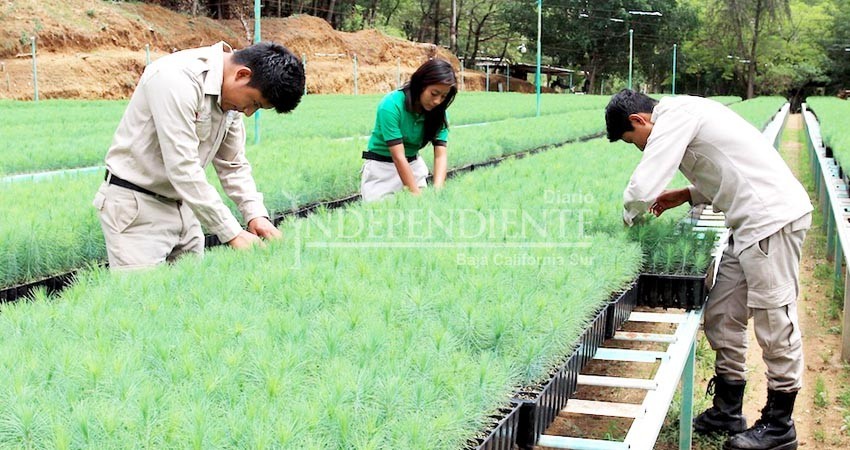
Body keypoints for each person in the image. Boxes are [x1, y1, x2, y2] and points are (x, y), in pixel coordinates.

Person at [606, 89, 812, 450]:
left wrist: (628, 216)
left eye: (631, 141)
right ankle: (728, 410)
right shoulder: (683, 112)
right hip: (746, 224)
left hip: (771, 221)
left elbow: (648, 176)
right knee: (722, 313)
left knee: (774, 319)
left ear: (639, 120)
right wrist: (687, 194)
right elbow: (726, 165)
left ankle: (780, 424)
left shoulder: (674, 116)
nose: (637, 147)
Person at [93, 41, 305, 269]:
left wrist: (255, 215)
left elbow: (233, 164)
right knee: (143, 299)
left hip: (187, 207)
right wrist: (233, 233)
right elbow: (182, 169)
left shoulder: (230, 99)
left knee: (189, 296)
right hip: (137, 209)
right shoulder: (176, 79)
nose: (248, 112)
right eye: (253, 102)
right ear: (242, 74)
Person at [360, 58, 457, 201]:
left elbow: (440, 155)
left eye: (443, 96)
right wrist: (416, 195)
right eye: (434, 93)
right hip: (382, 169)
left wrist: (438, 191)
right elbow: (398, 157)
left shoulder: (439, 115)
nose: (437, 101)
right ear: (421, 85)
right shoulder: (391, 105)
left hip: (413, 166)